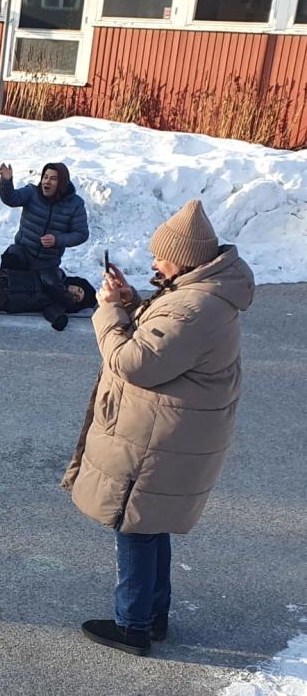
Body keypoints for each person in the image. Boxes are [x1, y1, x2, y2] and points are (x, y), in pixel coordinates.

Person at [61, 199, 254, 655]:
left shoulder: (193, 307)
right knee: (150, 523)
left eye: (160, 255)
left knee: (134, 524)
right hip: (174, 432)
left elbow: (134, 361)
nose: (153, 262)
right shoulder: (198, 294)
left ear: (184, 259)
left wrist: (108, 310)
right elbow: (165, 336)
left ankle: (133, 626)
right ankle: (153, 616)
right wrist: (134, 303)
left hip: (160, 438)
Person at [0, 161, 88, 272]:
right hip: (23, 252)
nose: (47, 181)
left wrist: (57, 240)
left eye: (53, 179)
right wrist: (6, 182)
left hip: (47, 261)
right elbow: (11, 198)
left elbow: (81, 234)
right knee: (8, 271)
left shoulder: (75, 204)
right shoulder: (32, 193)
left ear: (62, 182)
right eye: (45, 177)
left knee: (48, 286)